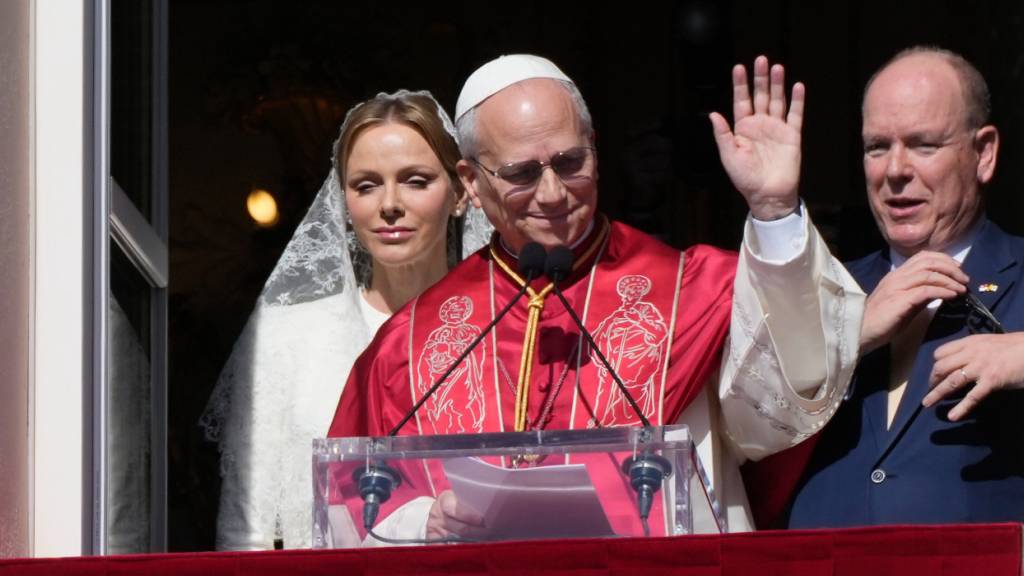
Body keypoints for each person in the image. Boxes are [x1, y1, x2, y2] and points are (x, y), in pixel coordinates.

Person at [328, 54, 864, 540]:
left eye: (569, 162)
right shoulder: (414, 340)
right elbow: (350, 497)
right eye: (520, 173)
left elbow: (785, 405)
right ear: (470, 181)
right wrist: (425, 519)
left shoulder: (692, 291)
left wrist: (772, 211)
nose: (553, 193)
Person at [201, 90, 492, 550]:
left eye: (415, 180)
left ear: (459, 193)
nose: (389, 203)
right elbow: (246, 529)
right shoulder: (284, 335)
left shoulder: (505, 329)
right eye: (366, 185)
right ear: (344, 201)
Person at [783, 47, 1024, 528]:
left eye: (924, 145)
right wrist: (848, 334)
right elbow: (738, 432)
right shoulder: (823, 289)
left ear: (985, 153)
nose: (894, 170)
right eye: (877, 147)